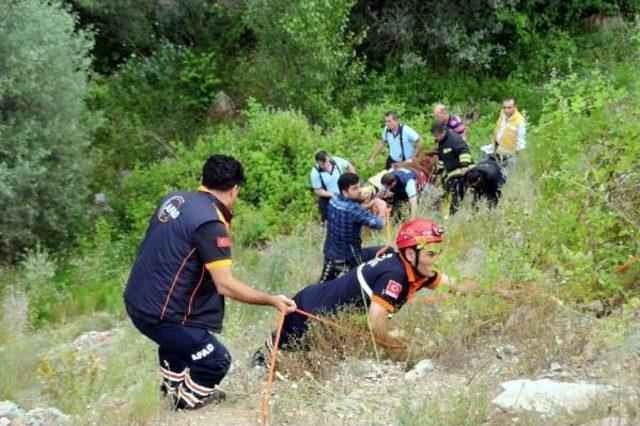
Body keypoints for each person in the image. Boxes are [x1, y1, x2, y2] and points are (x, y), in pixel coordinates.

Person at [123, 155, 297, 411]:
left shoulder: (175, 199)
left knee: (181, 343)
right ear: (234, 189)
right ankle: (183, 404)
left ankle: (171, 388)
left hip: (138, 300)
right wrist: (272, 300)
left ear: (202, 180)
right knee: (216, 360)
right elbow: (225, 285)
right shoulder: (210, 223)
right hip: (160, 313)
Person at [252, 218, 475, 365]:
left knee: (326, 355)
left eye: (438, 252)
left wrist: (495, 290)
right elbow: (376, 322)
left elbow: (454, 283)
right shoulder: (395, 276)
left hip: (318, 300)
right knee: (277, 354)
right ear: (410, 255)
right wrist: (398, 347)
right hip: (308, 311)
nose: (436, 260)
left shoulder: (416, 268)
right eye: (431, 254)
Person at [320, 173, 390, 282]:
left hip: (330, 254)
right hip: (350, 257)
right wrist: (382, 209)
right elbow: (379, 224)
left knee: (322, 286)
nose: (360, 190)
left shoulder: (333, 199)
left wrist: (367, 206)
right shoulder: (354, 210)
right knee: (387, 251)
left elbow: (351, 211)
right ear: (345, 192)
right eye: (355, 188)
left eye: (359, 186)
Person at [431, 124, 473, 215]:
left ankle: (454, 214)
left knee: (457, 192)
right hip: (451, 171)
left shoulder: (453, 139)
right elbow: (442, 157)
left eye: (437, 136)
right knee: (447, 188)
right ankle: (449, 212)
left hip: (461, 170)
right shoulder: (441, 142)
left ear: (442, 133)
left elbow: (464, 150)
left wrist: (464, 165)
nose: (435, 138)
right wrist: (439, 171)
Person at [310, 151, 355, 223]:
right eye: (321, 164)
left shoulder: (337, 161)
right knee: (329, 222)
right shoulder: (315, 172)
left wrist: (354, 178)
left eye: (326, 163)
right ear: (317, 162)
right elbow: (317, 191)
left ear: (328, 158)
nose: (324, 166)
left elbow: (348, 165)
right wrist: (333, 195)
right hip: (328, 198)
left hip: (344, 194)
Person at [480, 98, 526, 166]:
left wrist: (518, 155)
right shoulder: (502, 113)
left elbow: (521, 140)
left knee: (504, 172)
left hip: (509, 152)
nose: (506, 110)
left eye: (509, 108)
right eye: (504, 107)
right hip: (497, 146)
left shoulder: (519, 121)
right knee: (483, 151)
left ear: (515, 107)